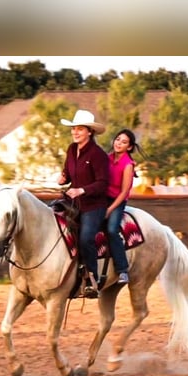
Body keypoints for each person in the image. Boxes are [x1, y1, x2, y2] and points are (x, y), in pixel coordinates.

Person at [58, 109, 110, 298]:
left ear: (90, 132)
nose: (75, 132)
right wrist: (63, 178)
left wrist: (82, 190)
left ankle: (92, 279)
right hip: (72, 201)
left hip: (94, 205)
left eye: (80, 129)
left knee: (86, 238)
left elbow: (103, 183)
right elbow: (68, 173)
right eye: (74, 129)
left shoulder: (98, 155)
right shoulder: (72, 150)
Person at [106, 129, 143, 285]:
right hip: (102, 198)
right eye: (117, 139)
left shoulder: (128, 164)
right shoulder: (107, 158)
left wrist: (109, 209)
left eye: (123, 142)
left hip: (117, 200)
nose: (119, 143)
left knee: (112, 230)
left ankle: (122, 270)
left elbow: (124, 192)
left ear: (129, 147)